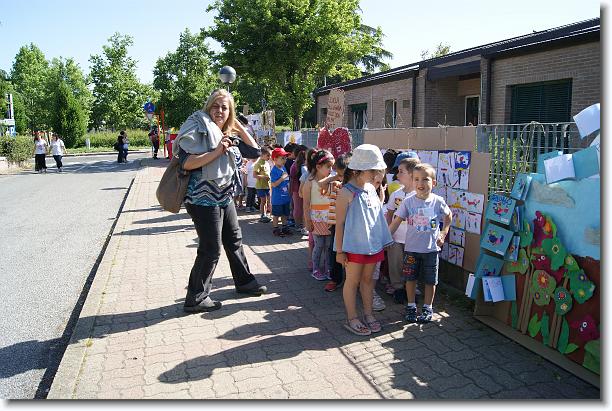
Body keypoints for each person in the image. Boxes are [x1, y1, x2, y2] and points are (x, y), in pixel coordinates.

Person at [174, 88, 267, 313]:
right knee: (210, 248)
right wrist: (218, 151)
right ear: (208, 107)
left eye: (225, 108)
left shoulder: (227, 132)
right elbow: (186, 163)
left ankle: (244, 282)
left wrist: (238, 127)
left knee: (234, 239)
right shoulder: (199, 129)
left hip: (224, 196)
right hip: (202, 199)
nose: (220, 111)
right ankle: (195, 298)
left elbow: (254, 152)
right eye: (215, 106)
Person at [335, 144, 393, 336]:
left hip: (372, 245)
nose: (377, 175)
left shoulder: (370, 188)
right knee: (352, 282)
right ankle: (352, 317)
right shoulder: (345, 193)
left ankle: (369, 315)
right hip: (353, 248)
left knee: (368, 281)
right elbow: (340, 224)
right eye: (373, 171)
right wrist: (340, 251)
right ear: (359, 170)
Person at [388, 163, 452, 324]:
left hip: (431, 250)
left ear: (434, 183)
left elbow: (448, 216)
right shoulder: (408, 202)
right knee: (410, 279)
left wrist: (443, 233)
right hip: (411, 250)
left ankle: (428, 308)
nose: (420, 183)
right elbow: (397, 221)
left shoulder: (438, 201)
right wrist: (386, 237)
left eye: (425, 179)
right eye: (416, 179)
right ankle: (411, 306)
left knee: (431, 280)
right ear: (412, 181)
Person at [385, 154, 420, 302]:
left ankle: (412, 288)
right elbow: (390, 214)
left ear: (412, 174)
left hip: (414, 240)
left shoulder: (419, 195)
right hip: (396, 237)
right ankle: (398, 288)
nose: (397, 174)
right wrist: (387, 235)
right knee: (395, 264)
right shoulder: (396, 194)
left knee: (413, 264)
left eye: (401, 171)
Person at [302, 149, 335, 281]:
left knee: (328, 246)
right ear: (318, 166)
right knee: (318, 245)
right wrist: (307, 221)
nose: (331, 169)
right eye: (328, 167)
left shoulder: (332, 180)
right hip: (316, 219)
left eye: (332, 167)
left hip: (330, 218)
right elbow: (306, 204)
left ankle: (328, 268)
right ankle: (316, 269)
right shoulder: (309, 182)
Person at [323, 152, 351, 292]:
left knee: (351, 253)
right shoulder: (336, 185)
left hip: (351, 225)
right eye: (339, 174)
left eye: (343, 175)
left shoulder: (355, 188)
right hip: (335, 225)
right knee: (335, 251)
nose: (341, 178)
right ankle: (335, 278)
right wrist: (334, 178)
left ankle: (352, 280)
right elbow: (320, 186)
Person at [269, 147, 292, 237]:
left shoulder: (284, 168)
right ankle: (276, 228)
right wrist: (282, 178)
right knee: (276, 214)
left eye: (285, 158)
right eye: (282, 158)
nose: (284, 160)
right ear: (275, 159)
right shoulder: (274, 170)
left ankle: (284, 227)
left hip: (285, 197)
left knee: (285, 214)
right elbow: (274, 184)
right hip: (277, 198)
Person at [289, 145, 308, 235]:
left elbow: (292, 178)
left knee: (297, 208)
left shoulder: (294, 164)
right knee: (304, 208)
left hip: (295, 189)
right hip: (303, 189)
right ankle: (303, 227)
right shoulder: (304, 166)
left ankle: (298, 225)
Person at [253, 146, 272, 223]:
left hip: (267, 185)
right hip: (260, 186)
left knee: (267, 201)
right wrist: (264, 177)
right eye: (268, 155)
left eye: (270, 155)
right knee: (263, 201)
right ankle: (262, 215)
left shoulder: (267, 163)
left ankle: (266, 214)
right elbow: (254, 175)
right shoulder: (258, 164)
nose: (269, 157)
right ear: (262, 154)